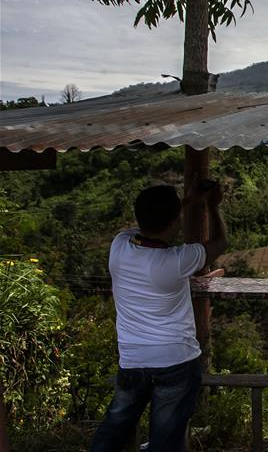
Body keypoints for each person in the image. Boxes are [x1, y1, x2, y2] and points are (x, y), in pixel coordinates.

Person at [91, 181, 228, 452]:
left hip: (132, 359)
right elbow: (220, 243)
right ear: (174, 222)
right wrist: (211, 206)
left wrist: (185, 203)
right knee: (166, 439)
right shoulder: (176, 261)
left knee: (113, 430)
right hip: (175, 361)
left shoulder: (119, 246)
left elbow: (148, 225)